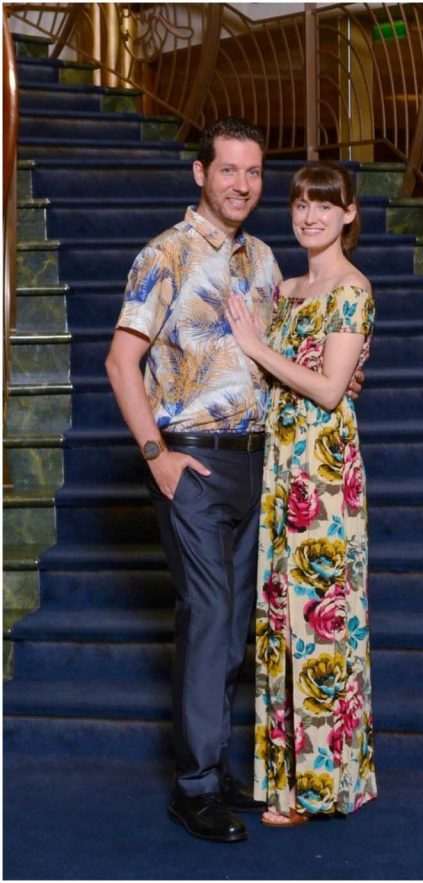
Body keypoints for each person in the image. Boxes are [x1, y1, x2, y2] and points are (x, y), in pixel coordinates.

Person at [106, 117, 279, 843]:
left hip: (255, 457)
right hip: (192, 460)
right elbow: (121, 361)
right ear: (200, 174)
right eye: (228, 169)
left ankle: (215, 761)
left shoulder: (266, 258)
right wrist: (157, 455)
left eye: (253, 172)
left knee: (235, 623)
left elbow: (271, 352)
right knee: (209, 618)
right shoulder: (166, 254)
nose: (241, 183)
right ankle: (195, 786)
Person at [225, 161, 378, 827]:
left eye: (326, 204)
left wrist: (256, 347)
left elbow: (328, 388)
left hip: (324, 471)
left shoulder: (352, 289)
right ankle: (285, 778)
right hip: (282, 468)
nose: (310, 215)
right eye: (301, 203)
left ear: (348, 213)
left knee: (322, 624)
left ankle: (319, 788)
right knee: (283, 620)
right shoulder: (285, 288)